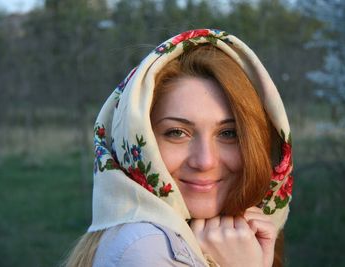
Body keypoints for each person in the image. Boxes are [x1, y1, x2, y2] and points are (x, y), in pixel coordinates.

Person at [64, 29, 293, 267]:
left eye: (229, 134)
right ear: (135, 143)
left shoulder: (236, 236)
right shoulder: (148, 251)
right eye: (177, 133)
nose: (205, 161)